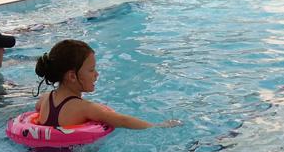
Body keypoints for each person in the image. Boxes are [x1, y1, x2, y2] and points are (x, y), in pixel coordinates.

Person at [33, 39, 180, 130]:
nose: (96, 74)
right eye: (91, 70)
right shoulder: (85, 108)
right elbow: (122, 121)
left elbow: (37, 112)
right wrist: (157, 126)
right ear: (72, 76)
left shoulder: (45, 99)